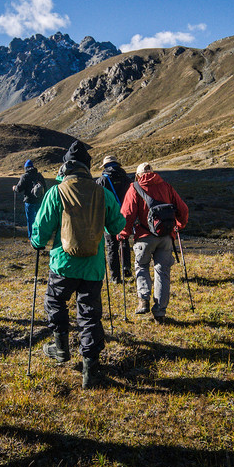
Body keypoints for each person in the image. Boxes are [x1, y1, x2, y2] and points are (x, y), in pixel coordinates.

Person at [30, 141, 125, 389]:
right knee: (90, 314)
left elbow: (41, 230)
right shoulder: (101, 193)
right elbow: (117, 225)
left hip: (63, 264)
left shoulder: (57, 191)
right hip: (93, 268)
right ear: (87, 167)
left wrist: (36, 242)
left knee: (54, 302)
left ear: (65, 166)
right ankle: (90, 369)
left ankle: (60, 348)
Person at [118, 162, 188, 324]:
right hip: (165, 236)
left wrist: (123, 234)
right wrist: (179, 225)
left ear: (138, 175)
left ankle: (143, 300)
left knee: (142, 266)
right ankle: (160, 313)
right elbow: (183, 209)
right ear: (153, 173)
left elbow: (127, 214)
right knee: (162, 272)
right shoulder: (166, 186)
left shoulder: (135, 188)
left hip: (143, 237)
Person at [95, 155, 132, 283]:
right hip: (125, 216)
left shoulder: (101, 181)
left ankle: (115, 276)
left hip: (108, 217)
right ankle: (126, 267)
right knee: (124, 241)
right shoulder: (127, 179)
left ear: (105, 166)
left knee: (111, 246)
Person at [14, 159, 47, 238]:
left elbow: (19, 189)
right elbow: (45, 188)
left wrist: (14, 188)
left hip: (29, 202)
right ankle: (39, 236)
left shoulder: (25, 176)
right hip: (39, 201)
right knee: (39, 219)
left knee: (30, 220)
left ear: (26, 168)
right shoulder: (39, 175)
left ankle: (31, 237)